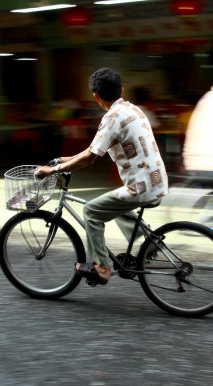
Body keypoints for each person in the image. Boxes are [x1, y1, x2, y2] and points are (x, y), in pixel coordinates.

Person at [34, 67, 168, 285]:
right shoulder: (133, 109)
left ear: (95, 96)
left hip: (141, 187)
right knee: (111, 203)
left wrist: (53, 170)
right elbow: (93, 150)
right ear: (121, 89)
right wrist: (63, 160)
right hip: (157, 182)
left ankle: (101, 267)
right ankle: (149, 240)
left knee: (91, 211)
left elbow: (90, 157)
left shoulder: (111, 118)